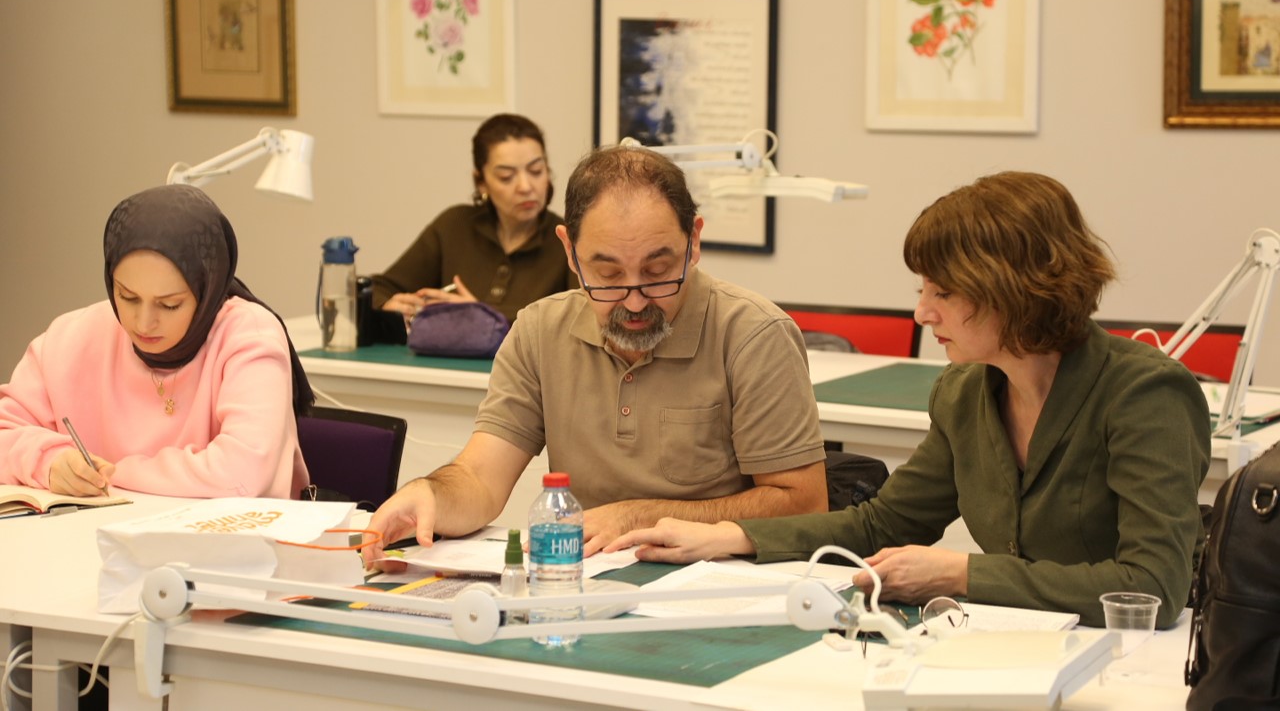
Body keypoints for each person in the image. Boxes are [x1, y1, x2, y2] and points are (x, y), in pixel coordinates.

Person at [610, 171, 1211, 629]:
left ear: (1015, 290)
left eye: (944, 292)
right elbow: (884, 521)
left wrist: (961, 572)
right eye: (922, 289)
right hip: (1019, 643)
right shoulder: (965, 392)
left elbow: (1152, 587)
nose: (923, 312)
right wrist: (736, 538)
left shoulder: (1144, 395)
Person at [364, 144, 828, 563]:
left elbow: (804, 504)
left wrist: (635, 517)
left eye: (658, 270)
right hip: (588, 583)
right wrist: (430, 494)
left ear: (695, 242)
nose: (635, 300)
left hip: (721, 587)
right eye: (606, 276)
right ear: (569, 252)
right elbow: (480, 480)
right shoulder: (539, 331)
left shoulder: (753, 335)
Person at [0, 184, 313, 499]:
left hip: (232, 545)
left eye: (169, 304)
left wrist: (112, 472)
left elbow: (242, 474)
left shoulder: (250, 337)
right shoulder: (71, 339)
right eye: (127, 296)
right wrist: (49, 463)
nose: (143, 322)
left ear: (208, 290)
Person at [372, 113, 577, 325]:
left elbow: (577, 321)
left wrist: (483, 317)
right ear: (481, 182)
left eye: (536, 171)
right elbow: (378, 289)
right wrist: (388, 306)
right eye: (506, 176)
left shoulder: (566, 240)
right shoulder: (453, 226)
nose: (525, 187)